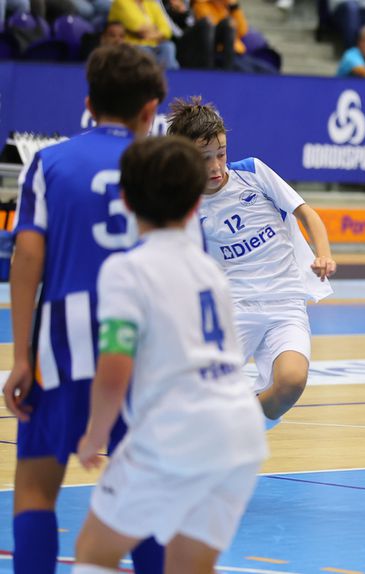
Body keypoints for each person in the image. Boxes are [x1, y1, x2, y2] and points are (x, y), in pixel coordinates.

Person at [4, 45, 167, 574]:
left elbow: (27, 254)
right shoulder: (167, 169)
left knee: (33, 489)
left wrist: (22, 354)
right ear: (151, 109)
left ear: (89, 102)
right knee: (145, 491)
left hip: (62, 347)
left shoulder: (49, 162)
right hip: (144, 351)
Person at [72, 136, 268, 574]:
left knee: (92, 553)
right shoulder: (211, 273)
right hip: (239, 434)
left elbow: (114, 368)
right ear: (195, 205)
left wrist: (95, 433)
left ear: (125, 200)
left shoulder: (127, 270)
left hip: (176, 433)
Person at [165, 97, 337, 429]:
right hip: (233, 309)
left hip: (285, 304)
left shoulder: (254, 173)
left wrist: (324, 252)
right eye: (204, 159)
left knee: (291, 382)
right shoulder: (184, 205)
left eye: (221, 154)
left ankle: (246, 426)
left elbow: (307, 214)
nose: (216, 167)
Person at [109, 0, 179, 69]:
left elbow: (167, 30)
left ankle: (171, 76)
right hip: (132, 46)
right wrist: (155, 28)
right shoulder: (121, 2)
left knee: (168, 46)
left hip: (155, 45)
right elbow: (138, 28)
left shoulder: (151, 3)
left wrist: (148, 33)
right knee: (147, 53)